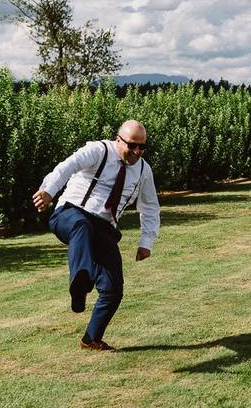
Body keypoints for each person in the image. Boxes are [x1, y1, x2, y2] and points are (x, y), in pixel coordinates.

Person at [32, 120, 160, 351]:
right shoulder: (97, 150)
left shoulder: (143, 170)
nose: (137, 152)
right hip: (70, 214)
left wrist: (146, 241)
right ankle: (80, 283)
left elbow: (150, 206)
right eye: (132, 146)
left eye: (142, 147)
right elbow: (66, 167)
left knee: (113, 289)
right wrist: (49, 191)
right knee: (82, 226)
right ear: (118, 139)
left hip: (104, 227)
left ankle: (91, 338)